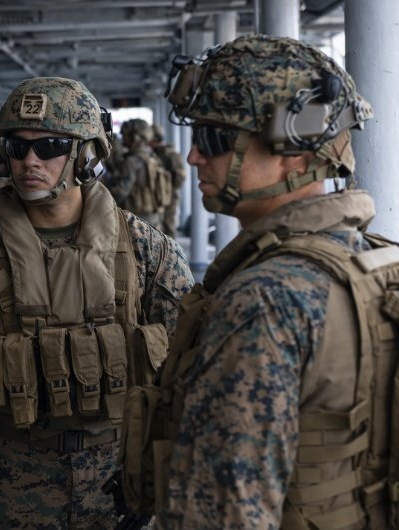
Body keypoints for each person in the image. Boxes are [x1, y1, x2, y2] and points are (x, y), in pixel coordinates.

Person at [119, 35, 392, 529]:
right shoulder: (379, 264)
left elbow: (223, 513)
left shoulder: (263, 299)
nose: (194, 157)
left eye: (214, 138)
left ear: (293, 149)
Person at [0, 76, 194, 530]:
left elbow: (189, 367)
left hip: (121, 477)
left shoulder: (144, 248)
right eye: (17, 148)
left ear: (86, 154)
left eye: (50, 146)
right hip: (10, 482)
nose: (29, 162)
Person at [107, 119, 172, 232]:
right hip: (154, 216)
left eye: (125, 135)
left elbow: (122, 192)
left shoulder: (131, 161)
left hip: (137, 220)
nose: (123, 138)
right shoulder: (152, 156)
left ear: (135, 137)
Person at [150, 123, 186, 238]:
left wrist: (168, 187)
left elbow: (180, 177)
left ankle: (172, 254)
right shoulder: (154, 153)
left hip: (169, 196)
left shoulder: (169, 154)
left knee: (168, 225)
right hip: (158, 195)